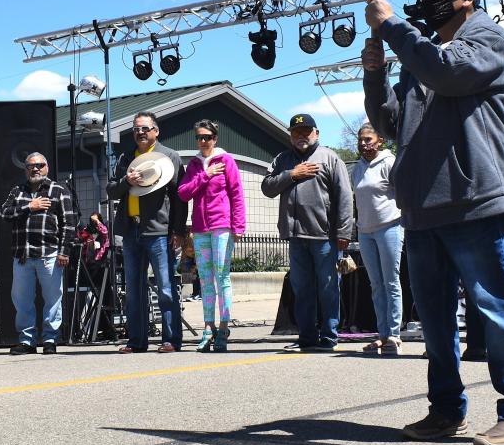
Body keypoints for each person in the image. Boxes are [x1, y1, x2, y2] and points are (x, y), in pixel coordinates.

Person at [363, 0, 504, 445]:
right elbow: (390, 122)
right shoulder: (423, 53)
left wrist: (392, 27)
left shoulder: (486, 37)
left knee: (496, 308)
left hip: (472, 201)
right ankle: (445, 410)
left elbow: (449, 72)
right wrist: (375, 76)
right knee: (436, 320)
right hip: (423, 207)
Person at [261, 113, 353, 352]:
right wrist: (292, 174)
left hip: (325, 237)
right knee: (302, 289)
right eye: (296, 132)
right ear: (290, 135)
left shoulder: (330, 158)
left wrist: (344, 232)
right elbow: (267, 188)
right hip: (295, 237)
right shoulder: (282, 159)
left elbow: (345, 198)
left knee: (328, 288)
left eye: (306, 131)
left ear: (317, 133)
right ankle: (307, 337)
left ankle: (329, 337)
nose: (301, 136)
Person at [108, 113, 187, 353]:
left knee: (165, 287)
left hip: (159, 231)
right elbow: (112, 190)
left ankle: (171, 340)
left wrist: (178, 231)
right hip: (131, 230)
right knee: (133, 290)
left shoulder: (170, 156)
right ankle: (137, 342)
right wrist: (126, 180)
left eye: (145, 128)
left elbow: (179, 197)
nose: (140, 133)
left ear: (156, 131)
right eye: (135, 129)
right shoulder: (125, 157)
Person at [177, 119, 246, 352]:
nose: (203, 141)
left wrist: (239, 227)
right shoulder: (195, 165)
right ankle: (209, 327)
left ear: (215, 138)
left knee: (221, 276)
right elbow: (184, 193)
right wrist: (205, 174)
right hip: (200, 229)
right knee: (205, 281)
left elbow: (236, 193)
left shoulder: (226, 161)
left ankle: (224, 327)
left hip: (222, 226)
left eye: (207, 137)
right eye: (199, 137)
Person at [1, 152, 75, 356]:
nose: (35, 169)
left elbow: (69, 224)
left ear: (47, 167)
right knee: (22, 301)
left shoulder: (59, 190)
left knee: (52, 299)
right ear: (25, 170)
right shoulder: (18, 191)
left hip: (49, 255)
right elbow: (5, 213)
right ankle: (27, 341)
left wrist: (64, 252)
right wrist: (29, 207)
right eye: (31, 166)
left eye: (40, 165)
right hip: (22, 256)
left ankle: (50, 340)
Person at [350, 123, 404, 356]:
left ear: (380, 140)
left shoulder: (390, 162)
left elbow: (403, 193)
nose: (364, 144)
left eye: (368, 139)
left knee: (391, 282)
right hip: (365, 231)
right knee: (376, 284)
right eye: (361, 140)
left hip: (390, 227)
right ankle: (382, 335)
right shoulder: (357, 168)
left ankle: (394, 335)